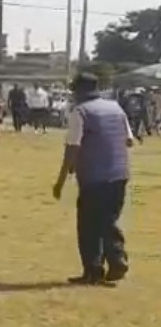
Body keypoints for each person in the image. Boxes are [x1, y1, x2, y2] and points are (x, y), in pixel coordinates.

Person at [52, 73, 132, 285]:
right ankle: (116, 259)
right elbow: (129, 140)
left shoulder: (81, 112)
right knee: (108, 219)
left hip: (94, 177)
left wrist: (61, 181)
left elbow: (72, 148)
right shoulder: (116, 108)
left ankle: (97, 269)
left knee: (88, 225)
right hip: (120, 174)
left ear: (79, 91)